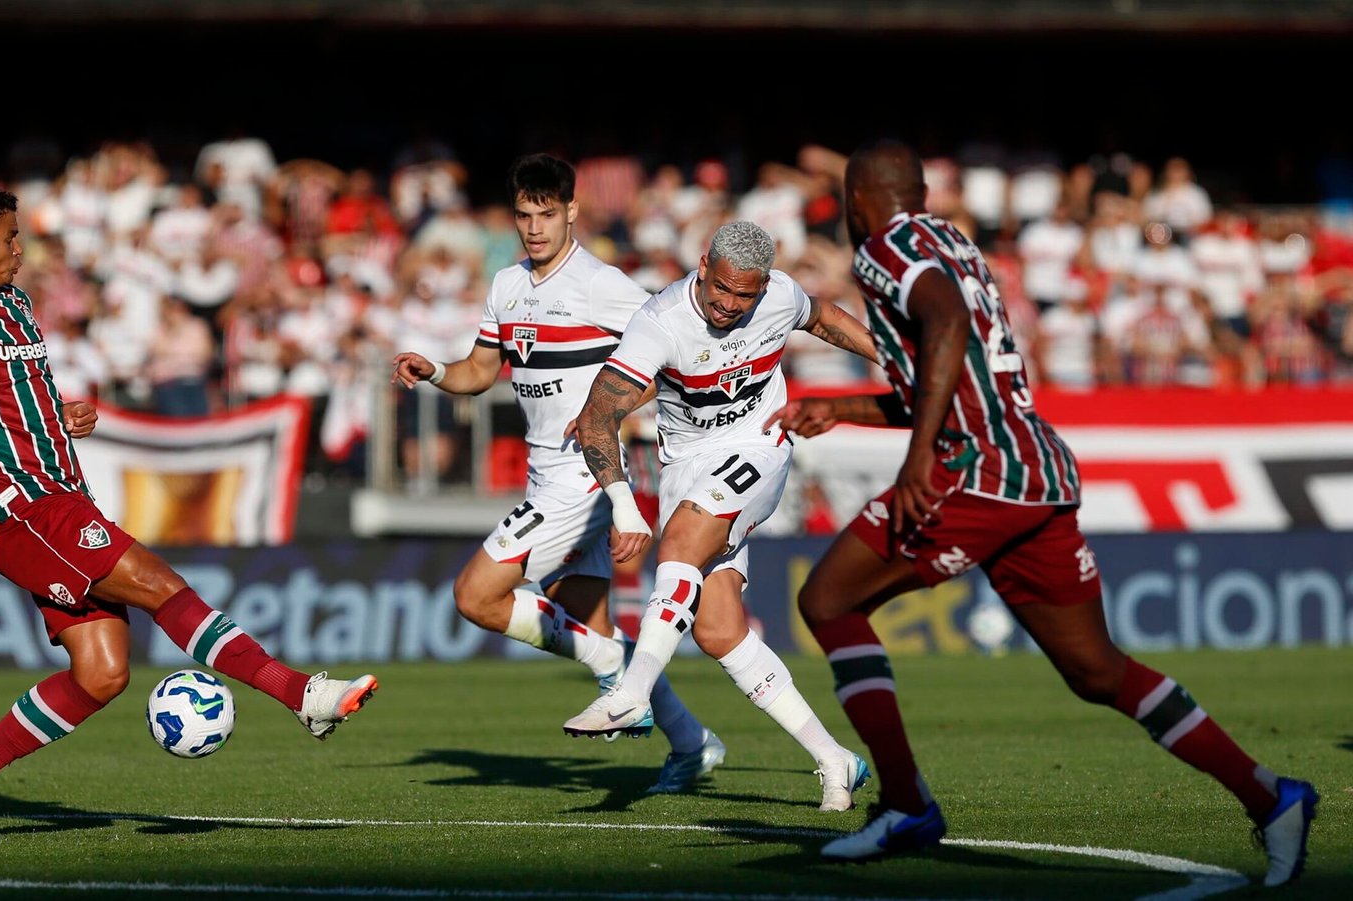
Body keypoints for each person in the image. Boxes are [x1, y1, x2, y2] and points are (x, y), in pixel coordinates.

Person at [766, 140, 1317, 885]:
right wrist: (846, 408)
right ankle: (1272, 795)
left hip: (976, 472)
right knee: (1095, 669)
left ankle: (905, 804)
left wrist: (920, 457)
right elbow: (957, 372)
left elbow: (947, 324)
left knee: (827, 599)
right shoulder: (954, 241)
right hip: (1037, 468)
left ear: (862, 202)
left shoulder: (885, 250)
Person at [0, 184, 379, 845]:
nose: (19, 249)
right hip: (17, 507)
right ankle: (302, 694)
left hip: (60, 491)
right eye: (8, 237)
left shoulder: (14, 302)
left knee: (102, 672)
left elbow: (13, 395)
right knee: (159, 585)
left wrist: (57, 418)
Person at [392, 153, 722, 794]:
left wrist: (610, 409)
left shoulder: (603, 285)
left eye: (548, 214)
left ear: (572, 210)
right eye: (524, 215)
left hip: (586, 475)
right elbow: (480, 372)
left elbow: (675, 356)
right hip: (543, 474)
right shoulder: (506, 285)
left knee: (475, 596)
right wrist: (434, 371)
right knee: (585, 620)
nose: (535, 228)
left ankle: (614, 678)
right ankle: (691, 744)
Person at [560, 219, 880, 812]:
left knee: (680, 540)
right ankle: (835, 757)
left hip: (761, 445)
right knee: (717, 631)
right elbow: (598, 414)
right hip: (685, 464)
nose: (731, 305)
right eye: (723, 289)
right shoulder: (661, 322)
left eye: (746, 296)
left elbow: (826, 318)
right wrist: (626, 508)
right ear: (703, 264)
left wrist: (887, 357)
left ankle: (633, 692)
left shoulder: (780, 294)